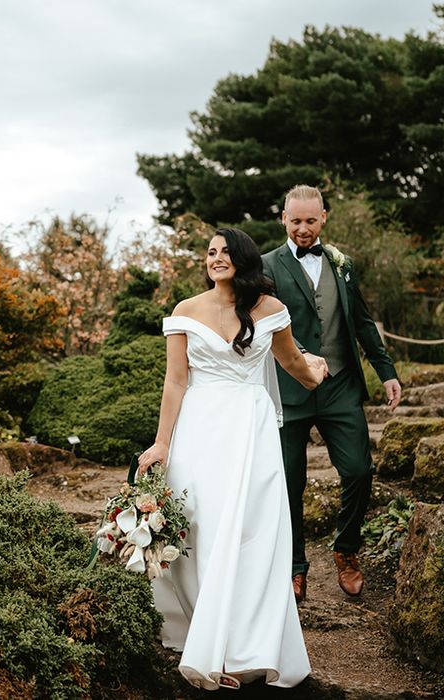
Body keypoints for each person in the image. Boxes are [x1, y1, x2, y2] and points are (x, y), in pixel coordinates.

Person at [137, 227, 325, 691]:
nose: (216, 258)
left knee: (253, 530)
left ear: (243, 258)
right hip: (200, 428)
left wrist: (315, 370)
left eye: (224, 252)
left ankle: (245, 647)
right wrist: (162, 443)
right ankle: (204, 632)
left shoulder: (271, 311)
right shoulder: (186, 310)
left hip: (251, 428)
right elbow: (175, 382)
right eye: (210, 252)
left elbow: (292, 364)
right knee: (200, 526)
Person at [261, 184, 402, 603]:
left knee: (359, 470)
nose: (302, 229)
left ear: (324, 217)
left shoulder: (343, 264)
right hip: (288, 390)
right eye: (295, 220)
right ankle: (294, 567)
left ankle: (345, 549)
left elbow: (360, 321)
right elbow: (264, 329)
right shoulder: (267, 267)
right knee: (289, 483)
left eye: (310, 220)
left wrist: (386, 371)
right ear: (283, 219)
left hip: (341, 386)